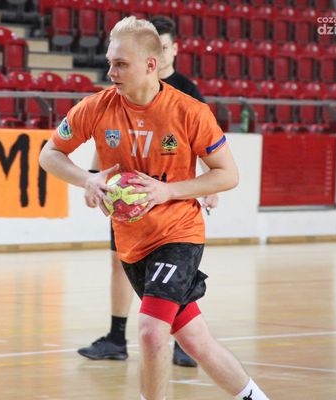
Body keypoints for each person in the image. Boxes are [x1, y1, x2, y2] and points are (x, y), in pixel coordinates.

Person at [40, 16, 269, 400]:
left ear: (150, 64)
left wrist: (168, 191)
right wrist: (87, 179)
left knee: (150, 331)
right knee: (196, 340)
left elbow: (227, 175)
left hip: (178, 234)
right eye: (110, 62)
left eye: (121, 64)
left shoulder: (190, 111)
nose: (111, 72)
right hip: (132, 241)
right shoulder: (96, 107)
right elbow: (50, 154)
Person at [77, 15, 218, 368]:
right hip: (126, 200)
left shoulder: (185, 94)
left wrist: (207, 185)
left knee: (169, 283)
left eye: (167, 47)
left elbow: (205, 146)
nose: (164, 53)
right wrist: (92, 178)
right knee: (118, 263)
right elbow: (106, 139)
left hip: (171, 210)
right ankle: (116, 336)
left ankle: (183, 338)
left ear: (168, 52)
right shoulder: (119, 92)